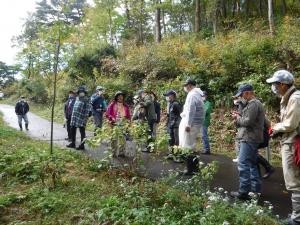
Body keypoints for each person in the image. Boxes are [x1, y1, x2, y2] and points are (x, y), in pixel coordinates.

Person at [266, 70, 300, 225]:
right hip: (290, 140)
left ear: (284, 84)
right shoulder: (287, 98)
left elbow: (290, 124)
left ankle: (297, 218)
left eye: (276, 84)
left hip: (293, 143)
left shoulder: (295, 98)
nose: (274, 87)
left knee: (294, 181)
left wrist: (276, 127)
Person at [230, 84, 265, 200]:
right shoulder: (252, 104)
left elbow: (247, 121)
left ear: (247, 93)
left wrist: (237, 118)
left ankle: (244, 192)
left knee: (243, 163)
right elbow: (247, 119)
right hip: (251, 137)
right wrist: (239, 115)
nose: (240, 97)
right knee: (252, 164)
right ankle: (255, 191)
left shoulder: (254, 104)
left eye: (241, 95)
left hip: (249, 137)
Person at [232, 96, 275, 179]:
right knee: (252, 154)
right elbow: (242, 120)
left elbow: (266, 123)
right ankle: (265, 169)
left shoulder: (255, 107)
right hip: (248, 135)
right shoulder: (246, 107)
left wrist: (270, 131)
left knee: (250, 155)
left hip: (254, 136)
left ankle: (267, 168)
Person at [179, 79, 205, 153]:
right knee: (190, 142)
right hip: (195, 122)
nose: (185, 87)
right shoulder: (197, 94)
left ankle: (187, 158)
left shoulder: (192, 95)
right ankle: (189, 158)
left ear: (189, 85)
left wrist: (188, 124)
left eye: (185, 86)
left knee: (187, 142)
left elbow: (191, 110)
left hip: (192, 123)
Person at [106, 91, 131, 157]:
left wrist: (128, 122)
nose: (120, 98)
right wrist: (111, 119)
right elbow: (108, 114)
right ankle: (113, 152)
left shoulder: (125, 106)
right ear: (116, 97)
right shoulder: (112, 104)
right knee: (114, 138)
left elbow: (128, 115)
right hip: (114, 123)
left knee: (122, 138)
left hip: (123, 123)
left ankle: (121, 152)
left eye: (121, 96)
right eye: (119, 96)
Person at [67, 86, 92, 150]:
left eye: (82, 91)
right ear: (78, 92)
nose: (81, 93)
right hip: (74, 117)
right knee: (72, 129)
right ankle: (73, 143)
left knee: (82, 131)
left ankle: (82, 145)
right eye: (80, 92)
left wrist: (85, 118)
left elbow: (87, 109)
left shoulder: (87, 99)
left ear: (84, 92)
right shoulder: (77, 98)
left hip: (82, 117)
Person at [164, 90, 181, 158]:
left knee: (176, 140)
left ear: (172, 96)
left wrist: (176, 122)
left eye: (168, 96)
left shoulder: (176, 104)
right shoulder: (171, 103)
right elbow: (170, 115)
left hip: (176, 125)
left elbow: (181, 114)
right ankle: (171, 153)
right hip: (171, 125)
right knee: (171, 139)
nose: (167, 97)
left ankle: (177, 154)